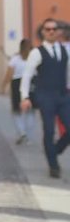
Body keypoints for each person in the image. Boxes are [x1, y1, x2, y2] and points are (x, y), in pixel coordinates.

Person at [20, 18, 70, 178]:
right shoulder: (36, 52)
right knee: (48, 131)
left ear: (58, 32)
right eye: (48, 29)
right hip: (45, 96)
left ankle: (55, 151)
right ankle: (53, 166)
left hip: (63, 95)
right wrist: (25, 97)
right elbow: (26, 76)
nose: (51, 32)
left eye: (54, 29)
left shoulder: (65, 50)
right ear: (43, 32)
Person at [1, 39, 36, 145]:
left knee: (16, 110)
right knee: (30, 111)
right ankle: (28, 137)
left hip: (17, 83)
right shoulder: (34, 58)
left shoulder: (15, 59)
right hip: (31, 83)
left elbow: (9, 73)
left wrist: (3, 85)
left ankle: (22, 132)